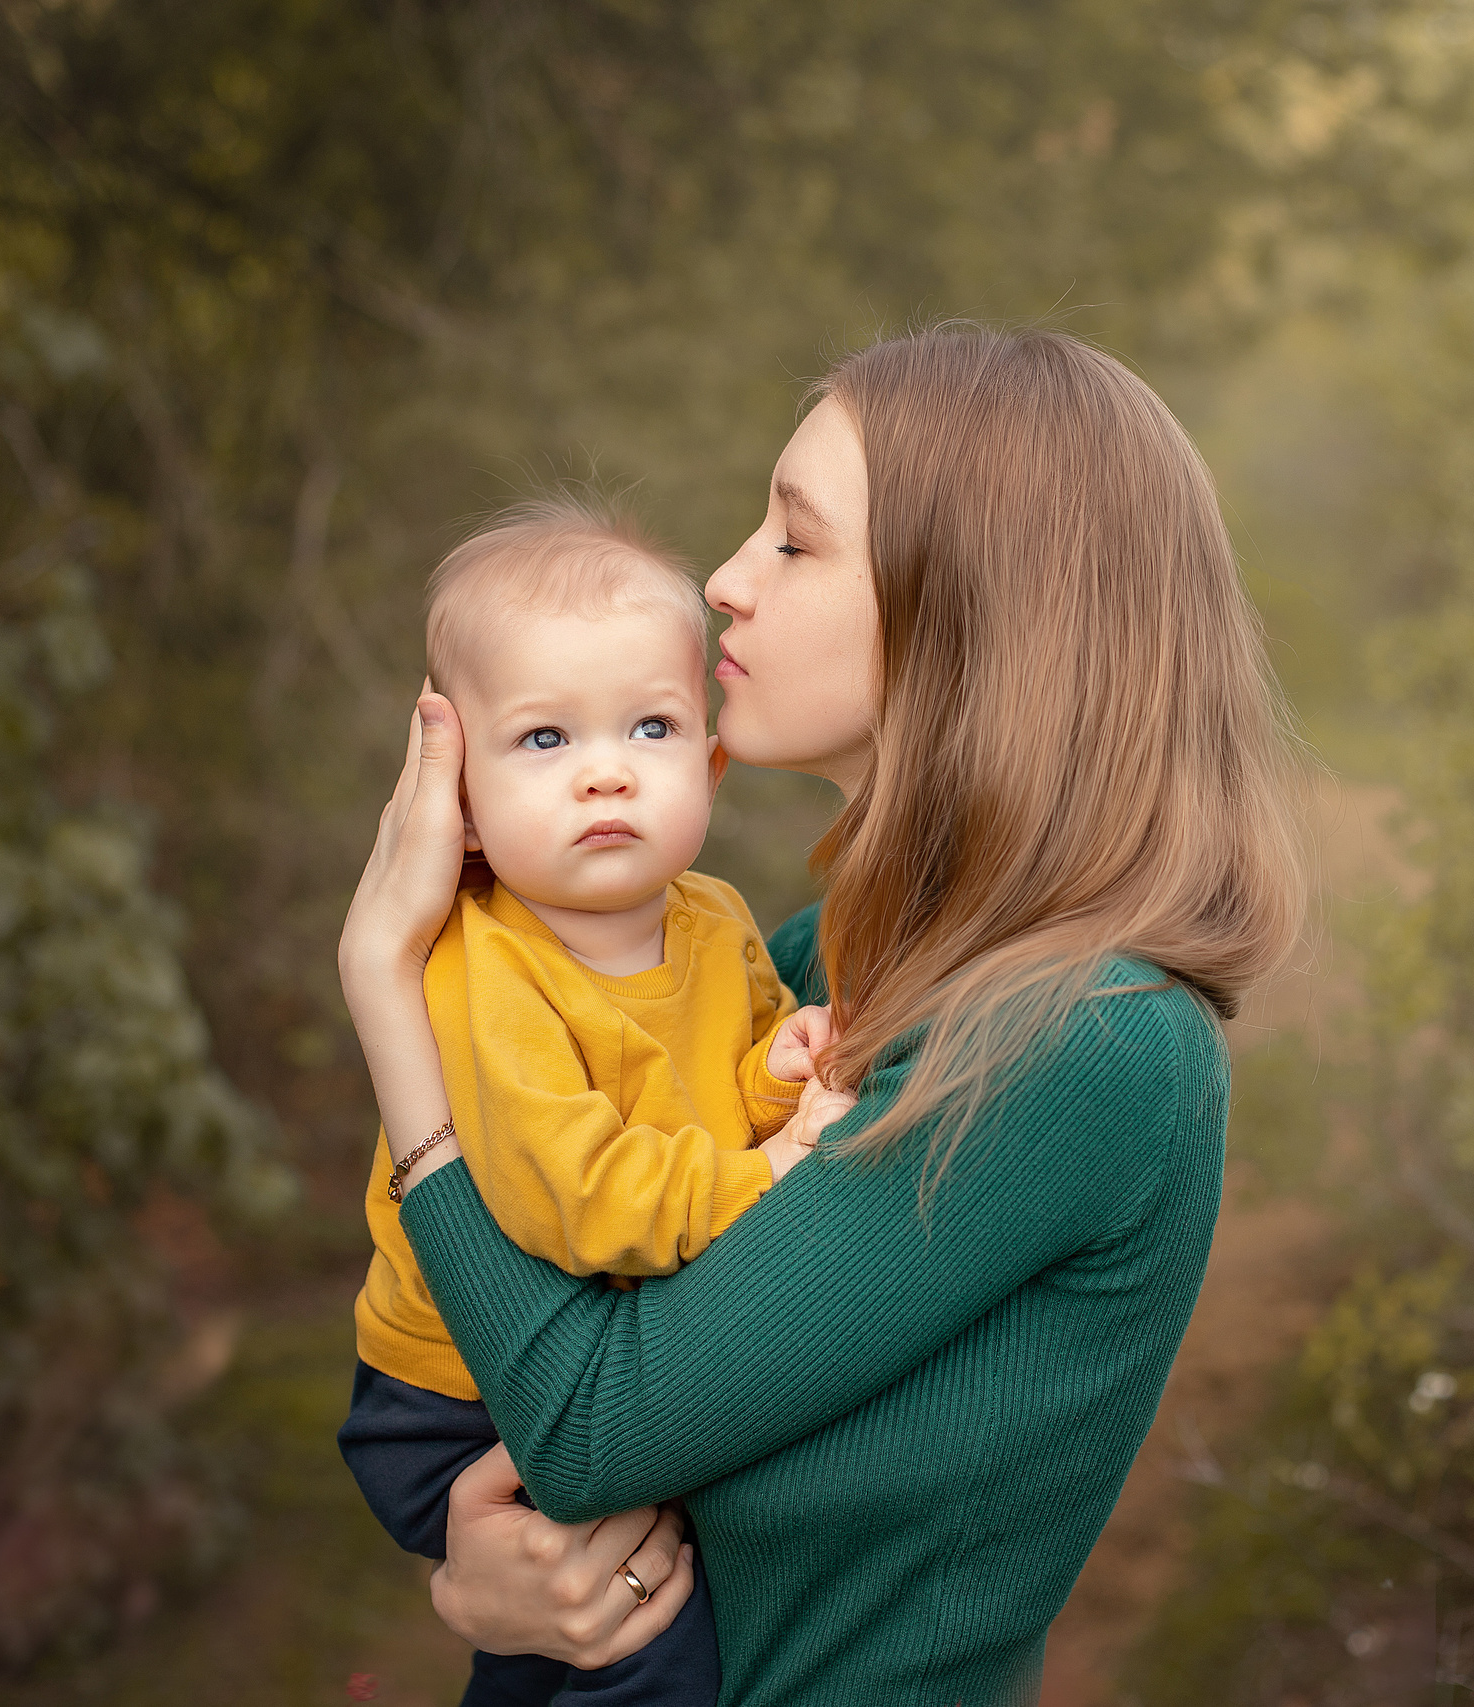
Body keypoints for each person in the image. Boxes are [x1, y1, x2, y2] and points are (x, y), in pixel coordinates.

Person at [340, 324, 1308, 1706]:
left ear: (975, 604)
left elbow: (594, 1423)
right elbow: (531, 1378)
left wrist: (391, 992)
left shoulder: (1085, 1040)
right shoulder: (813, 958)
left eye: (794, 542)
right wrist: (475, 1573)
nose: (725, 580)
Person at [335, 499, 850, 1707]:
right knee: (653, 1640)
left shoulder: (713, 919)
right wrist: (772, 1175)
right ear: (455, 800)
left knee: (572, 1641)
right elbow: (572, 1196)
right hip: (452, 1400)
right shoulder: (480, 969)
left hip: (583, 1352)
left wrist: (777, 1073)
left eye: (651, 726)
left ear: (706, 766)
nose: (607, 767)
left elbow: (714, 1085)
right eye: (546, 740)